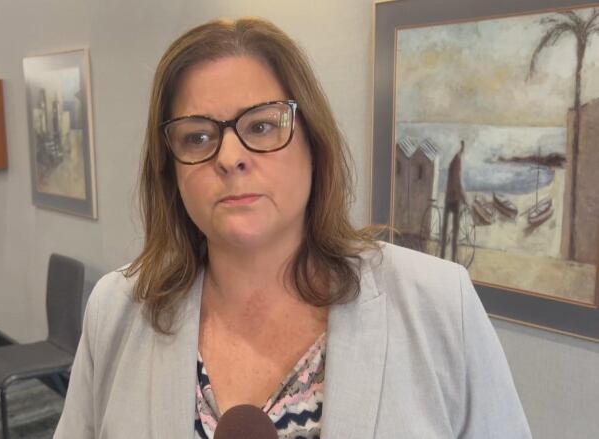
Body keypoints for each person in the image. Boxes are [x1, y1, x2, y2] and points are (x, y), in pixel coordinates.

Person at [54, 18, 531, 438]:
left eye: (261, 126)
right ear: (170, 169)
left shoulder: (440, 304)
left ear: (313, 143)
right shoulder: (117, 310)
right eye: (197, 136)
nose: (229, 156)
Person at [440, 140, 467, 262]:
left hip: (448, 198)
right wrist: (465, 198)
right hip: (454, 199)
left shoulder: (452, 162)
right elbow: (458, 182)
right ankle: (453, 259)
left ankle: (442, 256)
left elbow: (453, 181)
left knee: (446, 228)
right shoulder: (458, 162)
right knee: (455, 232)